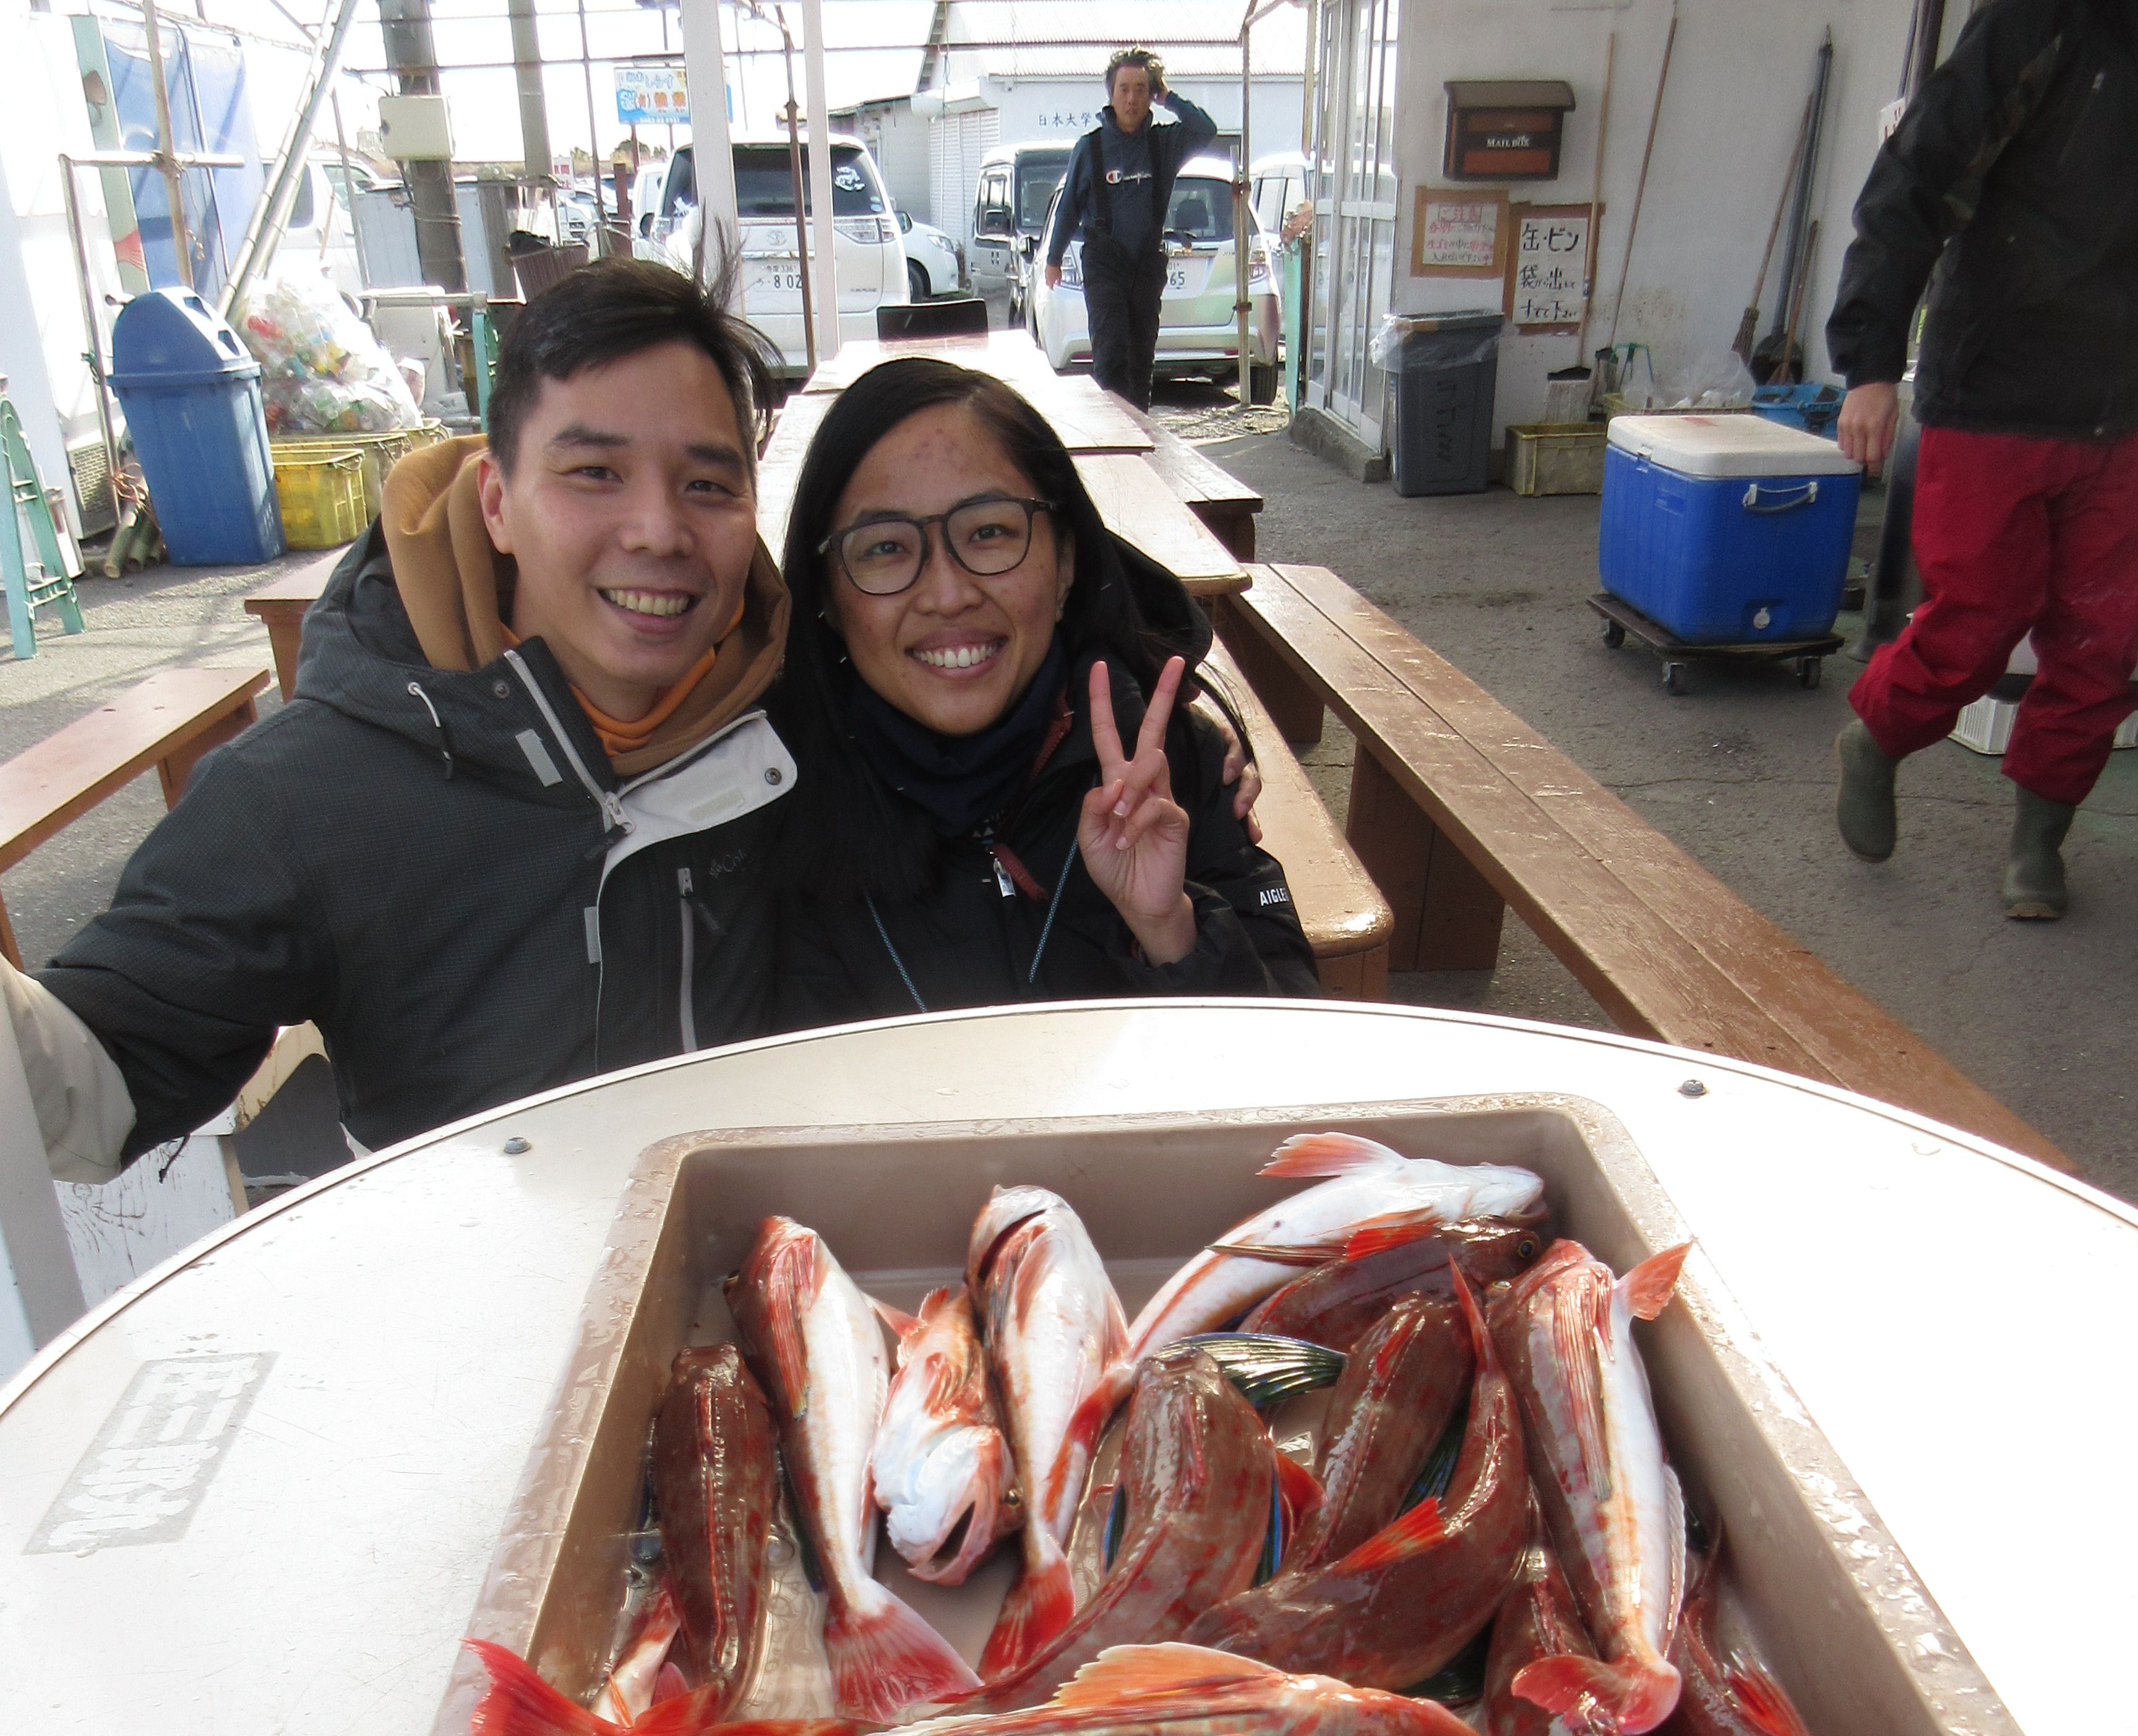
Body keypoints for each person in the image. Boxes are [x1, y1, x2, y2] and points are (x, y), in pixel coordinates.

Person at [4, 260, 794, 1182]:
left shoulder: (804, 725)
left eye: (708, 485)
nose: (658, 530)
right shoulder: (306, 791)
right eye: (594, 473)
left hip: (773, 1253)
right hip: (460, 1261)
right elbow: (88, 1089)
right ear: (497, 503)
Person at [765, 358, 1317, 1029]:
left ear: (1065, 564)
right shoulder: (772, 799)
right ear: (826, 596)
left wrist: (1172, 932)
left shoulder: (1167, 766)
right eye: (884, 548)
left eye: (989, 532)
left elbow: (1286, 1046)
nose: (947, 595)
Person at [1826, 0, 2138, 919]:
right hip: (1995, 385)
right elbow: (1916, 176)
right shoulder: (2036, 20)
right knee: (1979, 619)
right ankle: (1880, 736)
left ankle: (2040, 839)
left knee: (2105, 642)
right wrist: (1870, 365)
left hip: (2125, 411)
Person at [1044, 51, 1217, 413]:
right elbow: (1069, 207)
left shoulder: (1164, 143)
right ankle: (1114, 435)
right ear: (1111, 94)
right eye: (1124, 89)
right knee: (1111, 357)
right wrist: (1054, 258)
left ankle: (1139, 434)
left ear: (1150, 94)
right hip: (1105, 263)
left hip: (1146, 264)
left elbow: (1206, 130)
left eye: (1141, 89)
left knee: (1141, 362)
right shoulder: (1090, 148)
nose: (1131, 99)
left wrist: (1168, 97)